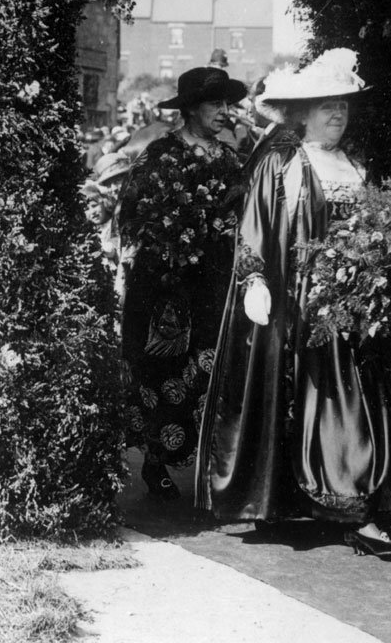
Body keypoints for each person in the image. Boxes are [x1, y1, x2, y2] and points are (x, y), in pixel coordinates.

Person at [196, 49, 391, 558]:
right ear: (303, 112)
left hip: (354, 304)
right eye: (327, 107)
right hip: (301, 302)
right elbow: (255, 225)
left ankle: (355, 506)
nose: (338, 116)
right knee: (315, 398)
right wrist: (254, 280)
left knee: (352, 397)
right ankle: (334, 508)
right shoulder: (283, 161)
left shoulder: (355, 165)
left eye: (344, 107)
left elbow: (379, 228)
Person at [118, 67, 247, 498]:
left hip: (216, 284)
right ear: (191, 109)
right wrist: (170, 243)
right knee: (165, 370)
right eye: (215, 104)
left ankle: (216, 470)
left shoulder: (230, 159)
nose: (224, 113)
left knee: (216, 370)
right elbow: (131, 215)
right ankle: (156, 463)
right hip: (167, 288)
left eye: (227, 104)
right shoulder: (160, 155)